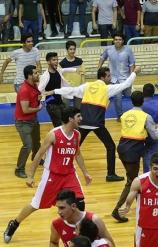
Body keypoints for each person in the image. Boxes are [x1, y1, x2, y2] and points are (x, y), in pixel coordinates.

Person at [3, 107, 92, 243]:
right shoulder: (53, 134)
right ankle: (14, 224)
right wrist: (31, 175)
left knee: (79, 203)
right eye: (79, 116)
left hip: (69, 175)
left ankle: (78, 234)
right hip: (52, 175)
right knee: (35, 205)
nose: (81, 119)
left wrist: (85, 172)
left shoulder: (77, 135)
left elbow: (77, 154)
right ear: (70, 119)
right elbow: (38, 155)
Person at [45, 66, 142, 182]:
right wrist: (134, 72)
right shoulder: (107, 89)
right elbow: (126, 85)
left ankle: (59, 168)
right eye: (108, 76)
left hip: (83, 123)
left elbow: (72, 90)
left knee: (72, 146)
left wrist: (55, 91)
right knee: (110, 146)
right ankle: (110, 174)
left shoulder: (87, 86)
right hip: (97, 124)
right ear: (103, 77)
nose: (110, 78)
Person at [111, 91, 158, 223]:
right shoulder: (146, 116)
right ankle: (117, 210)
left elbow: (132, 130)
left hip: (122, 148)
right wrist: (157, 128)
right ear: (143, 102)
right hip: (133, 151)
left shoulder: (125, 115)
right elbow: (155, 135)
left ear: (131, 101)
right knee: (131, 182)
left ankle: (137, 200)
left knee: (131, 178)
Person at [49, 190, 114, 247]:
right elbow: (53, 242)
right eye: (58, 208)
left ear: (73, 206)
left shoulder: (94, 220)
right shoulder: (56, 224)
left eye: (62, 208)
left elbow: (110, 243)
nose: (59, 212)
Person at [11, 65, 43, 179]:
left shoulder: (34, 85)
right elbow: (25, 110)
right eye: (35, 73)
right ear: (29, 76)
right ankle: (19, 169)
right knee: (27, 145)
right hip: (23, 122)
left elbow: (34, 97)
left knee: (36, 141)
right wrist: (38, 109)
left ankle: (36, 158)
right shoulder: (24, 90)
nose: (38, 74)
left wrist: (38, 98)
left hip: (33, 120)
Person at [99, 32, 136, 122]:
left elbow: (132, 63)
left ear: (123, 41)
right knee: (117, 97)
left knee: (127, 94)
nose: (117, 41)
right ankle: (120, 114)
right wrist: (99, 69)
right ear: (113, 40)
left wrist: (131, 76)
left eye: (119, 40)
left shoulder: (128, 51)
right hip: (113, 79)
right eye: (116, 39)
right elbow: (102, 57)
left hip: (125, 78)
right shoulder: (109, 49)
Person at [39, 52, 81, 127]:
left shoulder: (58, 70)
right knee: (59, 126)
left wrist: (75, 70)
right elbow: (39, 89)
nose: (56, 62)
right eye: (53, 60)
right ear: (48, 62)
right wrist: (41, 96)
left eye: (57, 60)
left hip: (60, 102)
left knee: (68, 121)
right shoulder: (45, 76)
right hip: (52, 105)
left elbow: (65, 70)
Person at [59, 40, 86, 109]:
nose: (72, 51)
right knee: (66, 108)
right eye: (70, 49)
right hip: (67, 89)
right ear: (66, 50)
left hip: (78, 89)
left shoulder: (80, 61)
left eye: (74, 49)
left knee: (78, 108)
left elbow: (82, 75)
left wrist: (83, 87)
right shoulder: (62, 64)